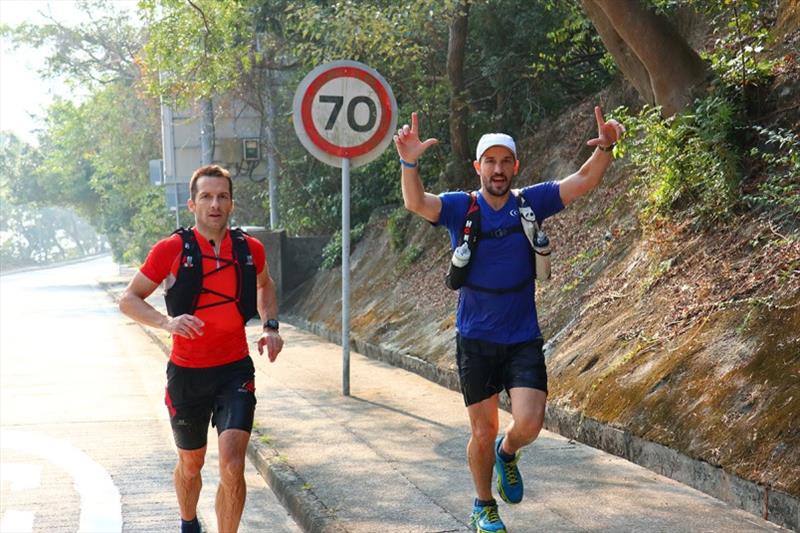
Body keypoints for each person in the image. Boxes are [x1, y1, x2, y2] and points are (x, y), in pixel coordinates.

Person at [394, 108, 624, 533]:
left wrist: (607, 146)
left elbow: (584, 181)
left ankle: (508, 453)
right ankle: (483, 505)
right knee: (482, 430)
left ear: (515, 167)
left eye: (505, 162)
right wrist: (409, 162)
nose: (498, 170)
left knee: (530, 423)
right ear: (477, 167)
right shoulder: (460, 208)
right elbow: (415, 202)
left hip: (522, 335)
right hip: (476, 337)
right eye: (490, 162)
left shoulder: (529, 202)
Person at [119, 164, 284, 533]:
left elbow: (265, 285)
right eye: (206, 197)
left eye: (222, 196)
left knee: (232, 465)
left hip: (234, 370)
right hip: (187, 373)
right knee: (191, 463)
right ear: (192, 204)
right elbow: (129, 299)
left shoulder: (249, 249)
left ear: (231, 204)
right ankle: (189, 522)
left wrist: (270, 326)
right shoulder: (172, 249)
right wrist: (166, 323)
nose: (215, 203)